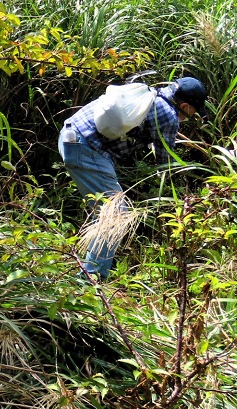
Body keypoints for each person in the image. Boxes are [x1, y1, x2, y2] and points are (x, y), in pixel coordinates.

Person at [58, 76, 208, 281]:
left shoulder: (149, 94)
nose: (191, 117)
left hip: (69, 135)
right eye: (193, 112)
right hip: (86, 148)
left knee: (104, 211)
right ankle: (91, 278)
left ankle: (89, 268)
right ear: (185, 106)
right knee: (116, 215)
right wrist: (181, 191)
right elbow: (166, 164)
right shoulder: (169, 115)